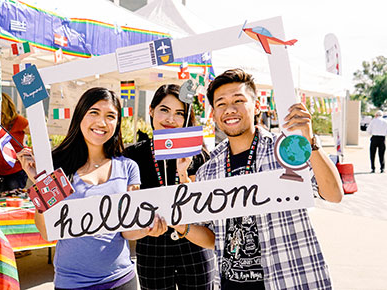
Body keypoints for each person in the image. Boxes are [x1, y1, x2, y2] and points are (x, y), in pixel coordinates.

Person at [173, 69, 343, 289]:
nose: (230, 109)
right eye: (221, 104)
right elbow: (215, 238)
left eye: (239, 100)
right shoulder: (208, 170)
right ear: (213, 114)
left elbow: (334, 194)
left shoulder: (285, 150)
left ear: (257, 107)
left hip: (289, 279)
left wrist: (309, 141)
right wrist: (180, 226)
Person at [18, 87, 167, 290]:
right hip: (73, 284)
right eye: (94, 112)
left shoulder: (127, 167)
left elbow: (127, 231)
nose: (102, 122)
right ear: (80, 115)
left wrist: (148, 229)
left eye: (110, 116)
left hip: (122, 280)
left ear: (117, 123)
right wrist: (40, 183)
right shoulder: (58, 167)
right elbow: (47, 232)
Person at [124, 84, 215, 290]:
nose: (170, 119)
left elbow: (205, 206)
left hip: (194, 242)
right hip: (151, 244)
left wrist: (183, 174)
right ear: (151, 110)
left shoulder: (198, 154)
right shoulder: (133, 156)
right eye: (164, 110)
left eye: (179, 113)